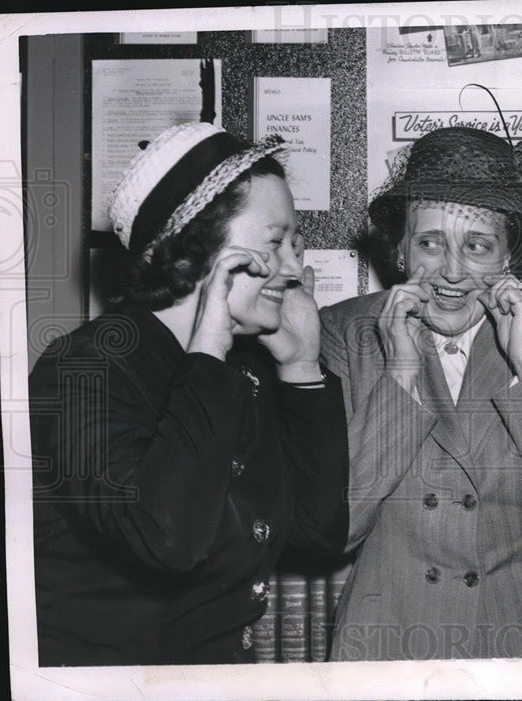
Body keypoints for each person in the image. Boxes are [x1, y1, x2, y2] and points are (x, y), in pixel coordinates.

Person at [30, 122, 349, 666]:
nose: (294, 269)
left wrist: (300, 365)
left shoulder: (242, 367)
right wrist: (206, 353)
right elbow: (167, 540)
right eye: (275, 244)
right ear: (190, 255)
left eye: (295, 246)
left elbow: (315, 534)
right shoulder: (84, 369)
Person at [319, 127, 522, 660]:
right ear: (401, 249)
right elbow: (337, 527)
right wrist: (400, 373)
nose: (450, 271)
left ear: (508, 258)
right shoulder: (344, 334)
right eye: (429, 243)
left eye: (476, 246)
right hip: (392, 640)